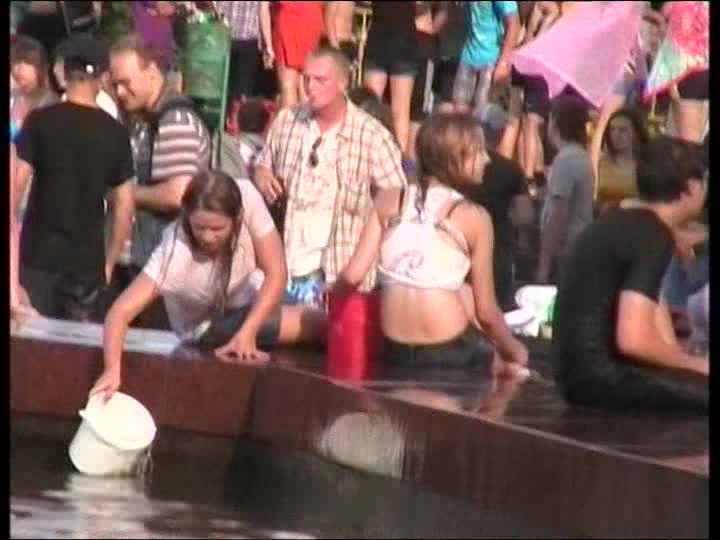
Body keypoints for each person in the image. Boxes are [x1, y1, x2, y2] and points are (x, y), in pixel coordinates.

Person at [90, 170, 327, 401]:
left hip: (250, 293)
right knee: (318, 326)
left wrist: (248, 333)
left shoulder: (247, 196)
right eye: (199, 227)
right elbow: (120, 312)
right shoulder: (174, 254)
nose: (207, 237)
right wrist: (112, 369)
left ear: (237, 217)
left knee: (323, 321)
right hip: (206, 325)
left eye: (217, 229)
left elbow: (277, 271)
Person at [333, 113, 528, 375]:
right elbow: (486, 312)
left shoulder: (387, 200)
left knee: (462, 292)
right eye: (478, 152)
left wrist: (333, 312)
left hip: (394, 347)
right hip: (449, 346)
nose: (487, 159)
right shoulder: (474, 217)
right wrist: (516, 350)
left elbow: (351, 277)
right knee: (507, 365)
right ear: (455, 159)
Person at [551, 136, 708, 412]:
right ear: (691, 188)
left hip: (574, 376)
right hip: (602, 377)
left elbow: (648, 320)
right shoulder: (652, 234)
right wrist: (696, 365)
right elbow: (633, 340)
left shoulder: (621, 222)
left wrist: (680, 359)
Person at [253, 46, 406, 307]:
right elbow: (261, 165)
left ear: (343, 82)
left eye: (320, 80)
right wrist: (263, 174)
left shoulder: (372, 137)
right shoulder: (287, 121)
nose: (310, 87)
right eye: (306, 79)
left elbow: (398, 205)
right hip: (285, 268)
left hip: (340, 277)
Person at [10, 37, 135, 323]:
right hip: (87, 265)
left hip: (38, 258)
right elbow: (124, 207)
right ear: (102, 77)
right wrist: (108, 264)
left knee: (33, 341)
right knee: (76, 346)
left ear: (65, 73)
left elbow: (15, 188)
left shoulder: (39, 121)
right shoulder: (116, 133)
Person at [108, 36, 211, 285]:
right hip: (136, 260)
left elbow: (177, 194)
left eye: (126, 82)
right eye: (115, 84)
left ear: (152, 73)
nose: (119, 92)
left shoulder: (175, 121)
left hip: (159, 267)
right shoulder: (141, 120)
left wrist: (122, 194)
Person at [461, 104, 534, 311]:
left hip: (461, 246)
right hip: (498, 249)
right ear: (501, 132)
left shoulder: (460, 165)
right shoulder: (511, 169)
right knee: (496, 306)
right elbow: (525, 215)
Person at [536, 95, 593, 284]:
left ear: (555, 122)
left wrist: (544, 262)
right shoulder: (580, 156)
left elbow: (558, 213)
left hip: (566, 248)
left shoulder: (566, 160)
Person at [644, 1, 709, 143]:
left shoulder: (675, 8)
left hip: (687, 72)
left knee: (689, 144)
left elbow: (672, 47)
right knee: (695, 142)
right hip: (696, 69)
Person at [362, 1, 419, 154]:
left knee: (370, 107)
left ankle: (371, 153)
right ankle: (397, 158)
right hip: (399, 43)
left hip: (386, 42)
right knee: (394, 109)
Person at [452, 1, 520, 116]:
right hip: (468, 56)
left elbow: (514, 24)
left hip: (492, 60)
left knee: (483, 112)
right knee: (458, 111)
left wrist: (504, 63)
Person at [260, 1, 325, 109]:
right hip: (312, 18)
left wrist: (268, 46)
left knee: (288, 85)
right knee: (304, 84)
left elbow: (264, 8)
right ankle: (306, 118)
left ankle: (291, 118)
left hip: (289, 21)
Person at [217, 2, 263, 131]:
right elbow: (263, 10)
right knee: (238, 85)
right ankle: (232, 121)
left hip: (233, 35)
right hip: (237, 36)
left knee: (233, 85)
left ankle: (230, 121)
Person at [595, 107, 649, 214]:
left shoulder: (647, 164)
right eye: (612, 129)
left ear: (636, 133)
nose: (616, 134)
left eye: (623, 130)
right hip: (604, 219)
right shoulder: (601, 161)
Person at [52, 37, 119, 119]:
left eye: (61, 65)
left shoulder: (102, 103)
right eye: (56, 64)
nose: (55, 70)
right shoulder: (64, 99)